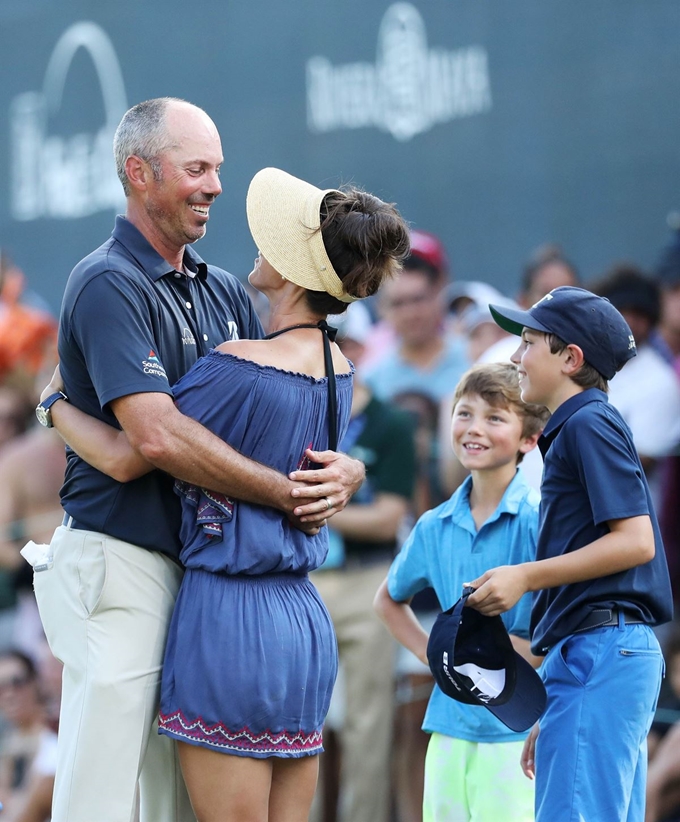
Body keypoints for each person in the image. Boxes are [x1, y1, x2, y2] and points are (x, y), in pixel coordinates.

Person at [40, 166, 410, 822]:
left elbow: (136, 452)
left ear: (296, 274)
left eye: (276, 244)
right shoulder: (341, 368)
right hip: (302, 623)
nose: (258, 248)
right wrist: (344, 475)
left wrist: (56, 404)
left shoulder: (234, 366)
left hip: (229, 622)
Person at [469, 286, 673, 822]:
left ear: (571, 358)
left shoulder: (589, 422)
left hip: (601, 649)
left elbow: (635, 541)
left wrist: (524, 577)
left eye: (529, 342)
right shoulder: (579, 425)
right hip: (592, 653)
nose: (515, 358)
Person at [374, 362, 549, 822]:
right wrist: (439, 658)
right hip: (449, 725)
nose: (475, 428)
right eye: (464, 413)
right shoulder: (434, 524)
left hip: (517, 730)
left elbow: (562, 623)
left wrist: (519, 658)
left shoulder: (539, 520)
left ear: (529, 439)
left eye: (495, 418)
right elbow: (388, 600)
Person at [311, 302, 417, 822]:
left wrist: (312, 504)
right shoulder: (302, 408)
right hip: (304, 581)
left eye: (340, 341)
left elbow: (388, 519)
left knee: (369, 725)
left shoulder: (391, 423)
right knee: (295, 721)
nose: (332, 351)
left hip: (367, 581)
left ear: (356, 348)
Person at [0, 650, 57, 822]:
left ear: (36, 682)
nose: (9, 694)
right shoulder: (7, 742)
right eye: (0, 688)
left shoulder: (55, 733)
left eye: (17, 683)